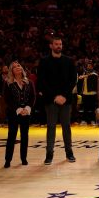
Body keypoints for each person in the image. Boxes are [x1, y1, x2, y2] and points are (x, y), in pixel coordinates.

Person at [37, 37, 78, 165]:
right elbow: (42, 81)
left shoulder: (69, 61)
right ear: (51, 46)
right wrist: (55, 96)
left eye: (60, 44)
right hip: (51, 100)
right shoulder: (44, 61)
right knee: (51, 127)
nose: (59, 46)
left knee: (66, 127)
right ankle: (49, 154)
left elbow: (73, 80)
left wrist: (64, 96)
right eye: (56, 44)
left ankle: (69, 152)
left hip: (66, 100)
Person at [3, 61, 36, 168]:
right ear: (11, 70)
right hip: (13, 113)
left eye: (19, 66)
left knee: (25, 136)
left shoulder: (29, 82)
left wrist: (27, 108)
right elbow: (7, 99)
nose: (17, 67)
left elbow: (32, 97)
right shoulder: (8, 83)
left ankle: (24, 158)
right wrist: (18, 109)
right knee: (11, 136)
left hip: (26, 113)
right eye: (14, 67)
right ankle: (8, 160)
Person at [79, 61, 99, 126]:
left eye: (90, 66)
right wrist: (83, 76)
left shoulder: (94, 73)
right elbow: (81, 79)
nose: (88, 67)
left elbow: (93, 76)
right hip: (85, 93)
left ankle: (93, 120)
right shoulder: (85, 73)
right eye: (87, 66)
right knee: (85, 108)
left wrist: (84, 76)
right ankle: (84, 120)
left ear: (92, 67)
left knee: (92, 108)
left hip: (92, 93)